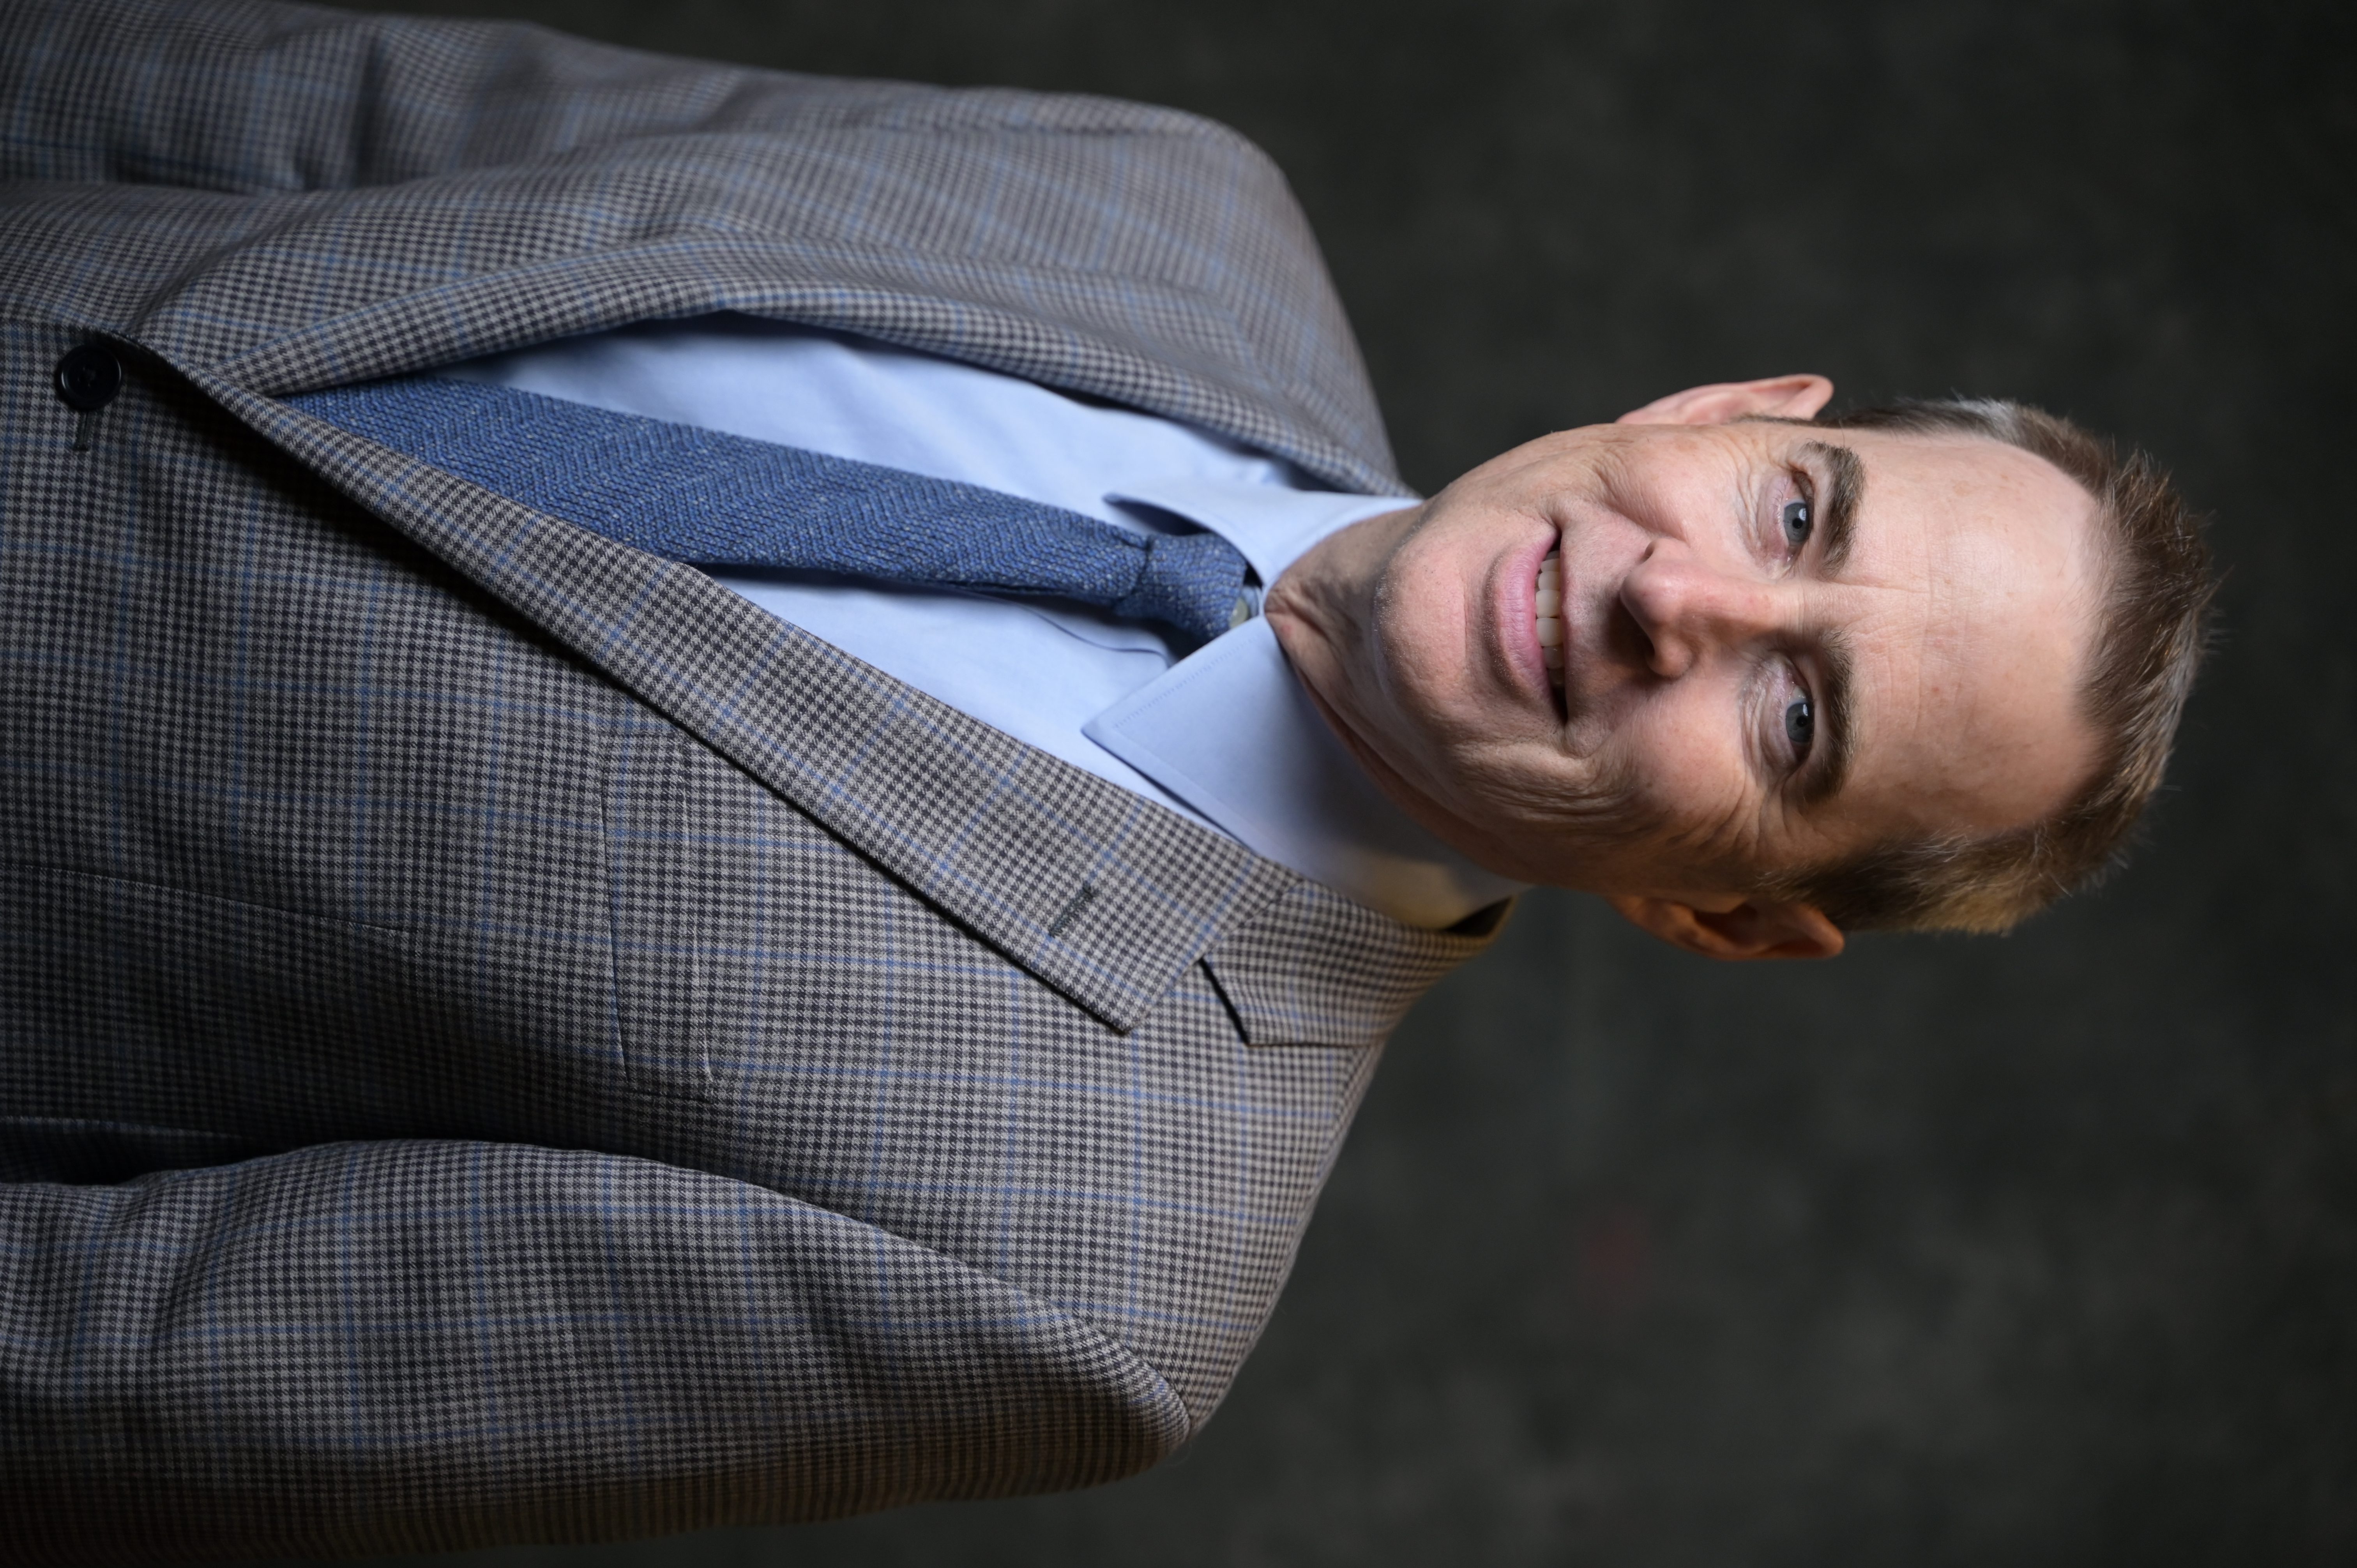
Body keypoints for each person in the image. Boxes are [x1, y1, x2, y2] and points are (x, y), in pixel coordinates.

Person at [0, 0, 2210, 1562]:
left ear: (1724, 916)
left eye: (1798, 718)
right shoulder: (1175, 206)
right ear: (1731, 411)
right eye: (1799, 517)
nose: (1683, 600)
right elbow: (344, 109)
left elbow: (112, 1367)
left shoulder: (1083, 1280)